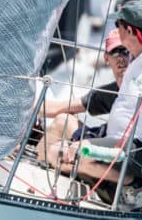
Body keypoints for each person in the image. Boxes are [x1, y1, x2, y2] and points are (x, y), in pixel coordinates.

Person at [50, 0, 142, 207]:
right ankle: (107, 183)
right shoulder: (141, 56)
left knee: (73, 153)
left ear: (131, 31)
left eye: (119, 27)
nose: (117, 31)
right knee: (55, 148)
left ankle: (139, 185)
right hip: (127, 143)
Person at [37, 29, 130, 165]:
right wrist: (24, 107)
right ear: (106, 58)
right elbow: (60, 108)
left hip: (122, 152)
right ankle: (37, 162)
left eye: (126, 51)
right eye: (115, 52)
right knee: (64, 120)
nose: (121, 57)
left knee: (59, 149)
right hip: (101, 141)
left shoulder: (138, 87)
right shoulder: (110, 91)